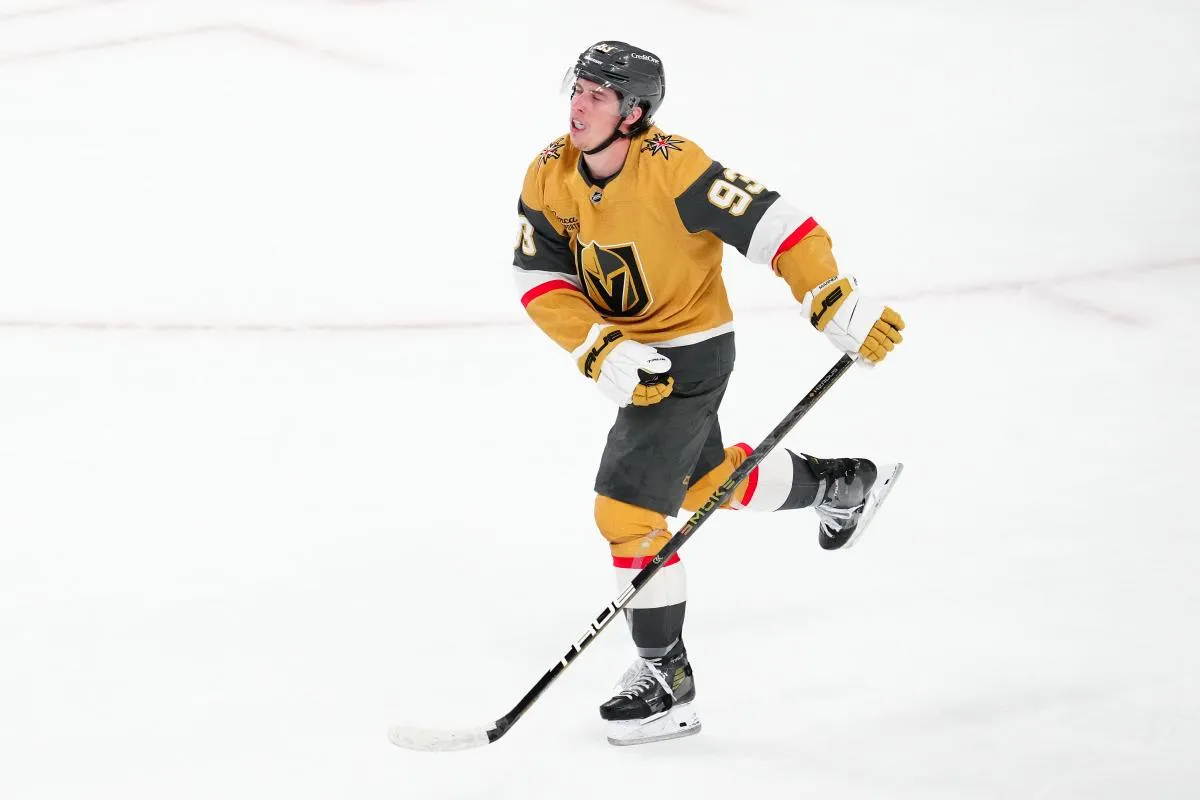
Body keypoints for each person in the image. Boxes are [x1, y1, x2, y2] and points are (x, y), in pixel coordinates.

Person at [511, 40, 905, 746]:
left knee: (626, 512)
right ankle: (839, 485)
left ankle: (666, 680)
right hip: (637, 355)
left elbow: (778, 225)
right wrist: (596, 343)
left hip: (688, 359)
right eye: (578, 87)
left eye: (599, 95)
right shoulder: (549, 172)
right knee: (703, 483)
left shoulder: (675, 168)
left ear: (633, 113)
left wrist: (830, 295)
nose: (579, 104)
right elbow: (537, 278)